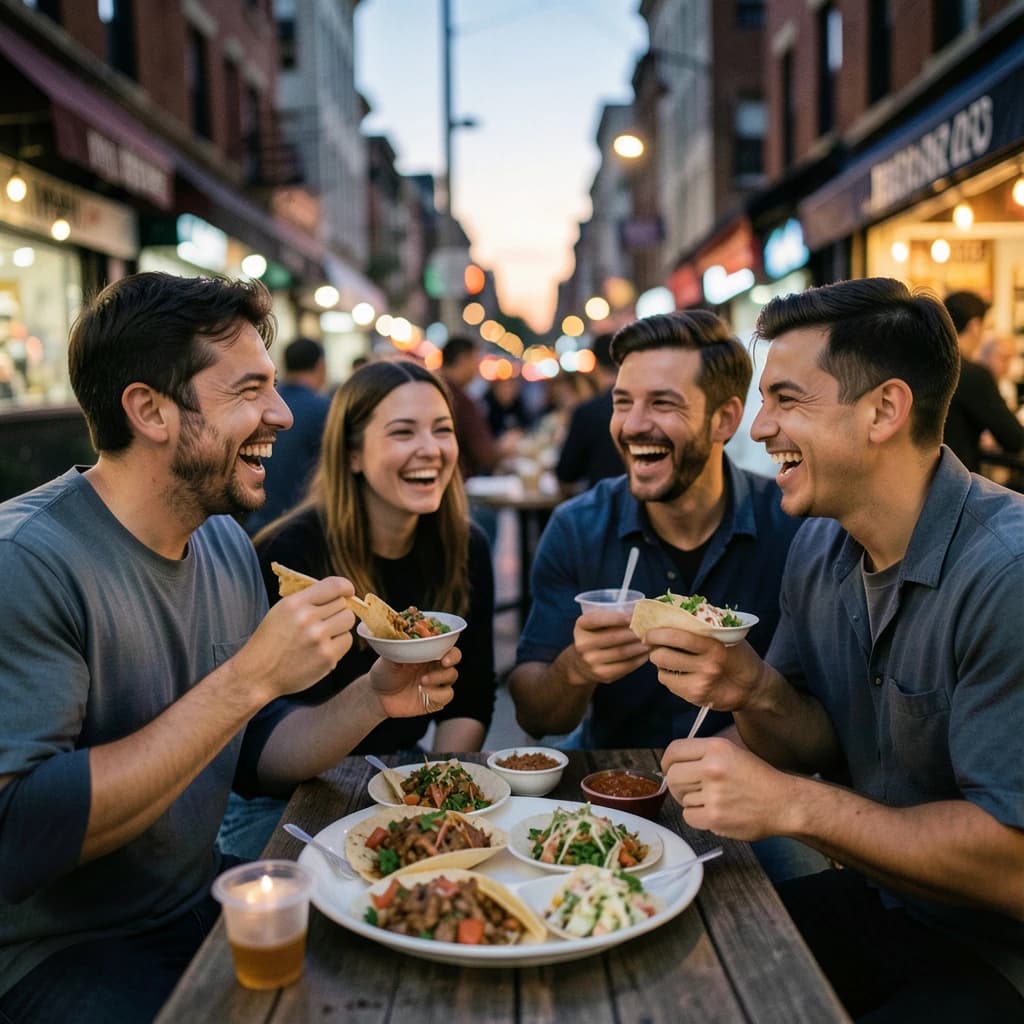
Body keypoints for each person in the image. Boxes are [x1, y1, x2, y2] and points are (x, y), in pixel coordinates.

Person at [0, 273, 460, 1023]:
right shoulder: (26, 563)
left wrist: (373, 696)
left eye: (274, 387)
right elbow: (19, 836)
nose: (281, 413)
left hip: (196, 898)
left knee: (406, 962)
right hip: (54, 952)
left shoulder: (220, 541)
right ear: (148, 409)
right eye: (249, 391)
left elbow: (250, 754)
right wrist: (248, 678)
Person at [657, 278, 1024, 1021]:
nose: (759, 430)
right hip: (888, 905)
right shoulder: (820, 544)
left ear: (885, 410)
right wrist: (748, 687)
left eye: (787, 401)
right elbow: (807, 738)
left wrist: (792, 805)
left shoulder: (1006, 572)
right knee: (679, 972)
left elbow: (1012, 863)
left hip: (999, 952)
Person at [219, 359, 497, 858]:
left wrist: (439, 795)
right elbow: (258, 757)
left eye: (442, 430)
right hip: (287, 803)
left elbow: (472, 701)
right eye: (402, 432)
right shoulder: (291, 554)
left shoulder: (466, 546)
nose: (429, 449)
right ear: (352, 455)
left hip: (401, 782)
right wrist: (372, 697)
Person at [508, 310, 801, 749]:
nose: (633, 425)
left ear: (724, 419)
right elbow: (535, 716)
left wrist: (748, 717)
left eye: (662, 403)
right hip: (609, 790)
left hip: (751, 789)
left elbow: (825, 716)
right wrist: (577, 668)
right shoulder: (577, 526)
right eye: (622, 402)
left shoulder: (793, 530)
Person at [245, 335, 330, 535]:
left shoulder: (262, 404)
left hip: (254, 520)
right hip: (300, 526)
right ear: (320, 366)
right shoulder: (323, 409)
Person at [941, 290, 1024, 474]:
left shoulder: (925, 366)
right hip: (958, 481)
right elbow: (1013, 438)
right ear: (975, 326)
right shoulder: (973, 375)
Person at [556, 332, 625, 492]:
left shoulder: (587, 412)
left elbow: (565, 474)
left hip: (601, 503)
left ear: (595, 363)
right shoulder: (641, 407)